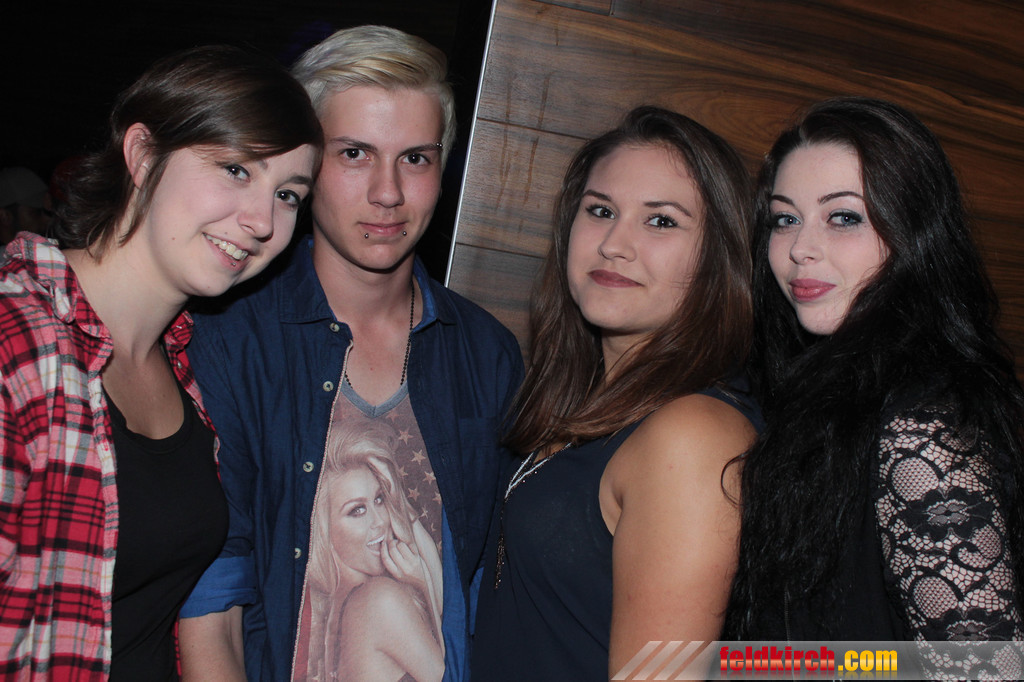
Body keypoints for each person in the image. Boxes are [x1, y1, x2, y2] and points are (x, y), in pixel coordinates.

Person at [177, 25, 523, 681]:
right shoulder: (229, 334)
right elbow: (211, 597)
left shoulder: (486, 354)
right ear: (306, 163)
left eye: (415, 158)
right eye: (356, 153)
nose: (388, 192)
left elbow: (486, 586)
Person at [0, 46, 320, 679]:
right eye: (236, 169)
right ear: (144, 156)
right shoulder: (18, 343)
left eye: (288, 194)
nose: (262, 221)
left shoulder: (188, 366)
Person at [471, 106, 761, 681]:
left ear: (717, 257)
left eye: (661, 222)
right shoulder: (581, 398)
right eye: (601, 210)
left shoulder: (693, 434)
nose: (613, 244)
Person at [726, 97, 1024, 650]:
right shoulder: (806, 389)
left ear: (914, 228)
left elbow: (983, 665)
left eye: (844, 217)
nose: (800, 249)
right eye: (785, 219)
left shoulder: (921, 425)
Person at [300, 419, 443, 682]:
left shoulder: (339, 609)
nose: (380, 521)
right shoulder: (379, 600)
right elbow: (453, 675)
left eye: (380, 499)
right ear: (324, 530)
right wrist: (424, 581)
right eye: (357, 510)